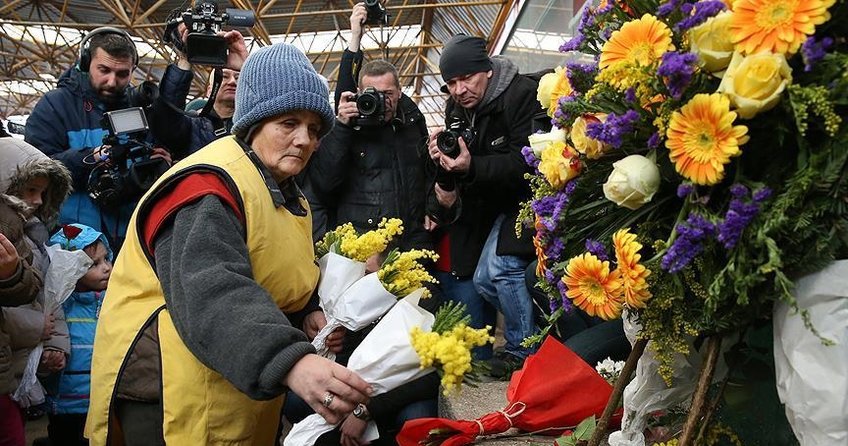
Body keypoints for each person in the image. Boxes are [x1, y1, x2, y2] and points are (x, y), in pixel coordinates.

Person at [85, 43, 372, 446]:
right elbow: (211, 286)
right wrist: (289, 360)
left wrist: (306, 312)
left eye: (314, 129)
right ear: (254, 123)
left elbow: (270, 266)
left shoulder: (290, 197)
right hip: (167, 386)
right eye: (288, 123)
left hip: (231, 378)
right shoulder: (207, 186)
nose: (304, 140)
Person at [426, 34, 543, 378]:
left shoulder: (521, 95)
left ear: (487, 70)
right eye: (451, 82)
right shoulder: (457, 108)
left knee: (503, 268)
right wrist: (443, 159)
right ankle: (539, 333)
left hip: (532, 200)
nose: (459, 89)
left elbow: (529, 163)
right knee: (483, 280)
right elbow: (463, 158)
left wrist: (471, 166)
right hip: (497, 206)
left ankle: (526, 351)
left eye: (466, 78)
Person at [24, 27, 170, 252]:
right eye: (104, 70)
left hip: (131, 240)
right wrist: (93, 157)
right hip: (70, 242)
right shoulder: (55, 106)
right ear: (85, 62)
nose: (112, 81)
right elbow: (36, 171)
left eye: (122, 74)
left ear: (133, 70)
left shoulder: (141, 108)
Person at [301, 2, 430, 245]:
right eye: (373, 93)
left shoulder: (412, 120)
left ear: (401, 92)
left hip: (413, 238)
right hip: (363, 243)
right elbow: (324, 184)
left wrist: (433, 207)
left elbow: (429, 169)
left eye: (389, 93)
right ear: (360, 94)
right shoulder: (350, 124)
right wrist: (341, 126)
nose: (382, 100)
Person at [0, 137, 73, 446]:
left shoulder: (34, 238)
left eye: (43, 193)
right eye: (30, 190)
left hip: (17, 372)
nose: (39, 201)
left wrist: (57, 343)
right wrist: (37, 331)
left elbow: (47, 296)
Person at [39, 224, 112, 446]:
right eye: (93, 264)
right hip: (65, 407)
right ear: (69, 268)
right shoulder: (56, 307)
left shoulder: (112, 302)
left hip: (103, 403)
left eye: (106, 258)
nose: (107, 268)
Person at [149, 28, 248, 158]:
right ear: (208, 91)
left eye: (238, 77)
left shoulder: (250, 126)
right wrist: (184, 58)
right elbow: (168, 117)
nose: (232, 82)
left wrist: (246, 64)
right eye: (223, 76)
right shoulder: (193, 125)